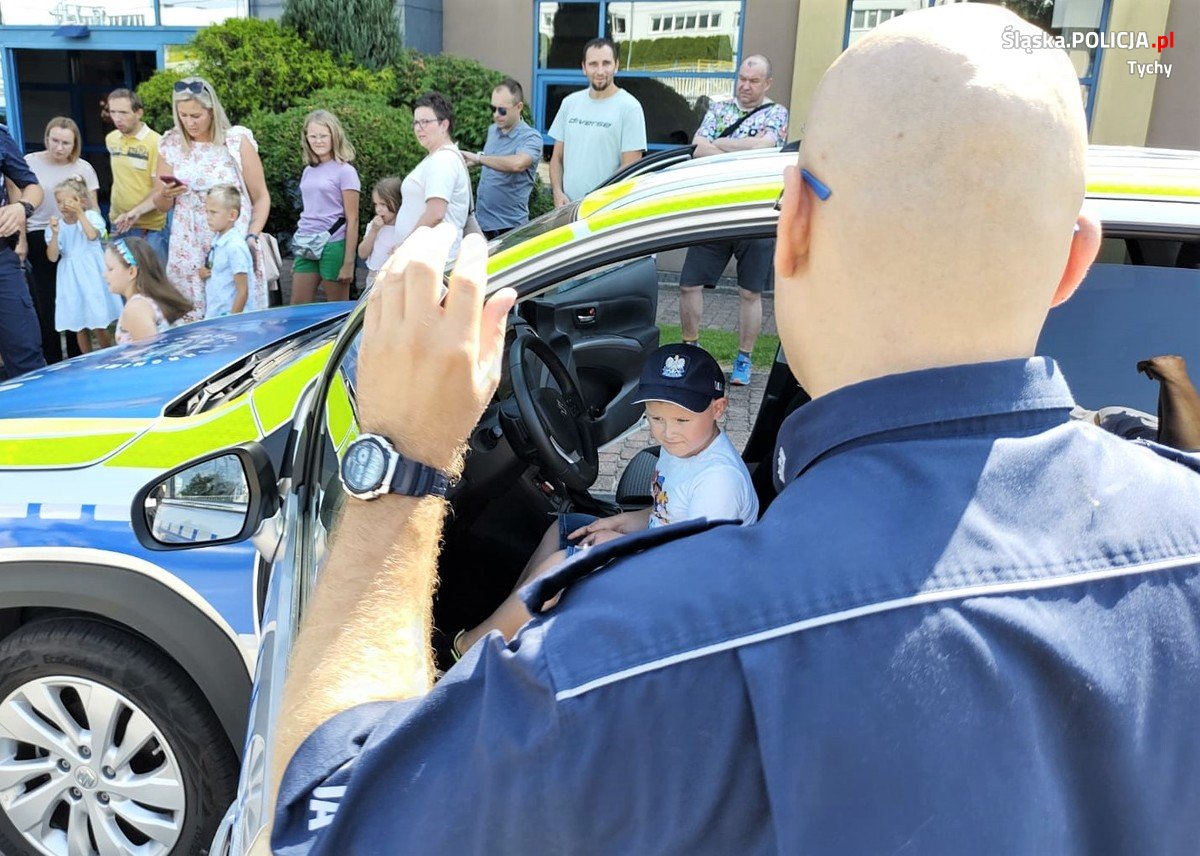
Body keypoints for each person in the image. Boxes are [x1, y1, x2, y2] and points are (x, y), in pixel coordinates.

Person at [270, 6, 1200, 854]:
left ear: (790, 220)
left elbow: (326, 823)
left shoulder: (627, 655)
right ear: (1076, 259)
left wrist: (401, 463)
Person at [455, 343, 758, 654]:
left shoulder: (719, 483)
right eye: (656, 419)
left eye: (682, 421)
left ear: (718, 408)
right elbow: (665, 513)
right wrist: (621, 522)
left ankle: (468, 650)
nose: (668, 433)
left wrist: (618, 544)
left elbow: (693, 568)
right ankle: (512, 626)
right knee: (566, 528)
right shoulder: (685, 447)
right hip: (665, 557)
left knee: (562, 565)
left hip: (687, 597)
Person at [680, 55, 789, 386]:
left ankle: (744, 359)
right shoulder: (719, 108)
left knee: (749, 293)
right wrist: (743, 150)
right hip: (715, 211)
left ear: (767, 83)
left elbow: (766, 148)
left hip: (754, 215)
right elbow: (697, 148)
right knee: (688, 286)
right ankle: (691, 350)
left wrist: (722, 144)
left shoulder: (777, 113)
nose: (745, 85)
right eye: (742, 78)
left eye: (754, 81)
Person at [124, 77, 270, 322]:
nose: (189, 122)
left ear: (211, 111)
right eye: (183, 115)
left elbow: (261, 197)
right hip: (188, 246)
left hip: (230, 243)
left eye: (196, 115)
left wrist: (251, 236)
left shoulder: (235, 141)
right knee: (191, 319)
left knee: (234, 313)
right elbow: (162, 206)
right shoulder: (171, 144)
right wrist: (164, 194)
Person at [24, 117, 100, 363]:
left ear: (75, 144)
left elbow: (94, 208)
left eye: (66, 143)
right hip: (41, 232)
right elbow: (20, 200)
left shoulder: (84, 168)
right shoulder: (30, 163)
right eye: (54, 140)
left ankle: (79, 356)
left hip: (76, 234)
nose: (59, 147)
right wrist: (22, 240)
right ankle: (54, 358)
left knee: (75, 295)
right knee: (47, 300)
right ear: (46, 138)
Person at [549, 37, 646, 205]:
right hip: (567, 209)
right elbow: (557, 157)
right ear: (583, 68)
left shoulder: (630, 108)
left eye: (606, 63)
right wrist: (557, 192)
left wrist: (598, 202)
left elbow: (630, 167)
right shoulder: (570, 103)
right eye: (593, 64)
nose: (600, 71)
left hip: (605, 211)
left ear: (616, 65)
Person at [291, 110, 360, 305]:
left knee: (335, 309)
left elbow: (352, 219)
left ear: (334, 136)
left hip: (332, 243)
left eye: (323, 136)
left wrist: (348, 262)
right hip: (306, 242)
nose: (318, 141)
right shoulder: (308, 170)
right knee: (297, 309)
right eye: (313, 136)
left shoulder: (346, 171)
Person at [461, 78, 544, 239]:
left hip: (509, 228)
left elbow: (517, 164)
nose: (496, 115)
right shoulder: (493, 130)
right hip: (481, 223)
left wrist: (480, 158)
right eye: (493, 108)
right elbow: (494, 161)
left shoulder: (531, 138)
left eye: (502, 110)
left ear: (519, 107)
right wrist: (475, 161)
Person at [393, 92, 472, 261]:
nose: (418, 128)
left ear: (444, 125)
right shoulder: (436, 157)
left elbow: (436, 213)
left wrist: (405, 246)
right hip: (424, 258)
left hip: (431, 260)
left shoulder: (443, 160)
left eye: (425, 122)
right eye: (415, 122)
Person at [45, 177, 121, 353]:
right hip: (71, 276)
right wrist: (55, 234)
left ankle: (109, 354)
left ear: (82, 201)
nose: (64, 205)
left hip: (92, 272)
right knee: (79, 323)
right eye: (59, 202)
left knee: (98, 322)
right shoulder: (56, 226)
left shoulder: (91, 217)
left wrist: (80, 213)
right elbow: (52, 257)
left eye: (69, 201)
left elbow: (92, 236)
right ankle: (86, 359)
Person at [0, 124, 45, 379]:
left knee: (26, 353)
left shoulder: (0, 135)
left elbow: (32, 187)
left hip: (3, 262)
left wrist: (21, 209)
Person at [106, 89, 170, 262]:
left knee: (151, 285)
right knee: (120, 285)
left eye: (123, 113)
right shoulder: (112, 139)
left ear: (139, 113)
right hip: (118, 225)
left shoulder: (156, 143)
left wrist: (134, 212)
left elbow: (160, 189)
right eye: (113, 112)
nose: (117, 118)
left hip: (149, 230)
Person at [104, 235, 191, 344]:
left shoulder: (136, 308)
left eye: (110, 269)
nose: (104, 275)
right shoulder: (148, 299)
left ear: (131, 272)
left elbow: (150, 355)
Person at [199, 185, 255, 318]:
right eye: (207, 212)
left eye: (213, 212)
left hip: (232, 322)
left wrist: (231, 321)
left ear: (232, 215)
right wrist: (205, 272)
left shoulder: (235, 246)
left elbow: (243, 291)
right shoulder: (218, 240)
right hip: (216, 315)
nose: (208, 217)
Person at [358, 176, 402, 290]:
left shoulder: (404, 228)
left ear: (397, 202)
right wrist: (373, 231)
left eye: (383, 204)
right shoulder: (374, 226)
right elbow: (362, 254)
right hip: (373, 277)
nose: (378, 209)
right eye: (376, 204)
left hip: (396, 280)